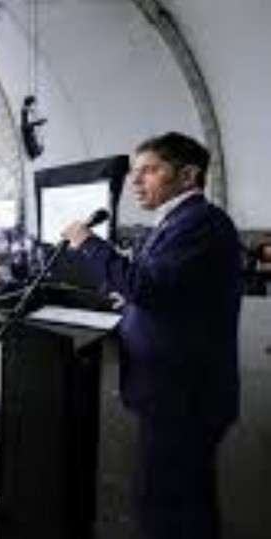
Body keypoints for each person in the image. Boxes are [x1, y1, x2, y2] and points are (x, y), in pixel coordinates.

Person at [62, 132, 241, 539]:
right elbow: (169, 293)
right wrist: (132, 305)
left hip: (183, 396)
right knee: (186, 499)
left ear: (189, 175)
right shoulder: (179, 222)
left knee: (162, 504)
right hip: (178, 391)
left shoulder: (200, 223)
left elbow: (149, 286)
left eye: (150, 170)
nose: (136, 182)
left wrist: (88, 244)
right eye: (134, 174)